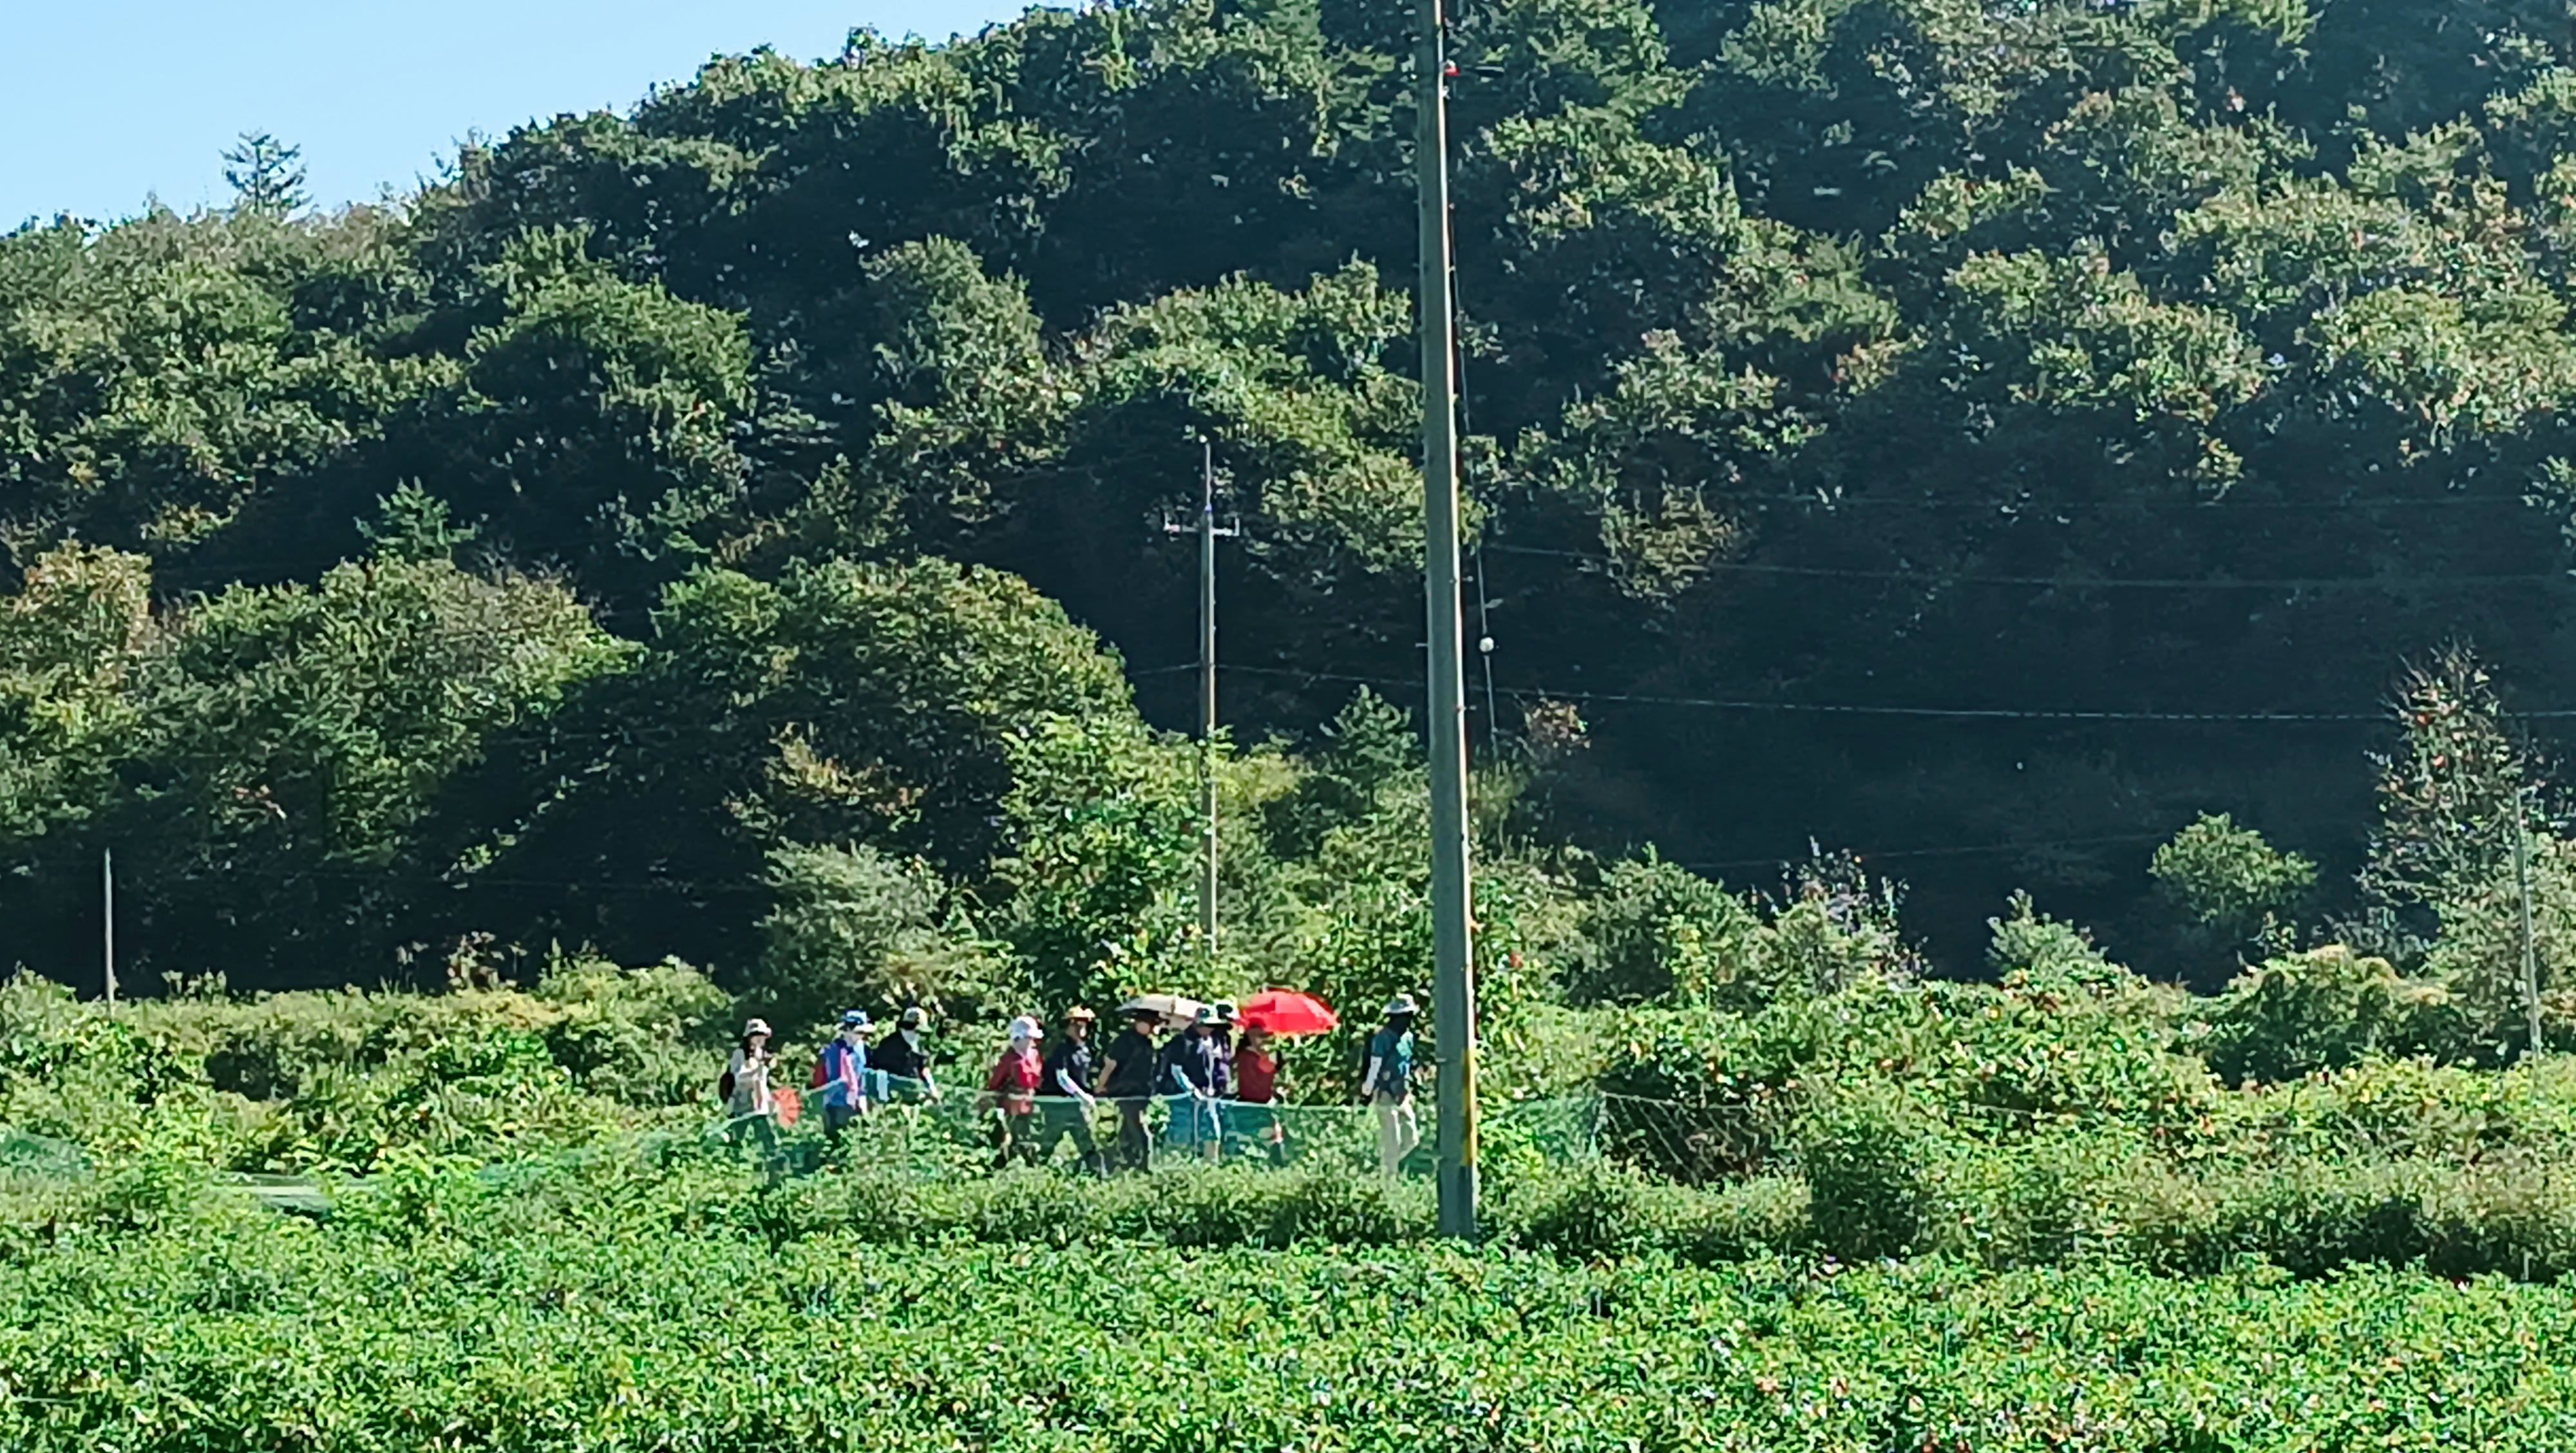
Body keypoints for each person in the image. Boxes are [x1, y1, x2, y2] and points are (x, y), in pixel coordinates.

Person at [1034, 1007, 1105, 1175]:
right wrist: (1082, 1095)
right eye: (1075, 1025)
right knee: (1048, 1142)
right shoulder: (1061, 1050)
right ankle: (1034, 1172)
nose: (1080, 1029)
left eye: (1083, 1025)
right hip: (1059, 1105)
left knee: (1087, 1141)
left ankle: (1097, 1175)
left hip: (1077, 1106)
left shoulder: (1085, 1051)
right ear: (1067, 1027)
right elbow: (1062, 1077)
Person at [1358, 994, 1421, 1181]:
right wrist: (1369, 1088)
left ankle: (1384, 1167)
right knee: (1392, 1140)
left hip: (1402, 1092)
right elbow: (1375, 1063)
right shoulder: (1383, 1038)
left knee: (1412, 1139)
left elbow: (1408, 1062)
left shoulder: (1408, 1037)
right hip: (1385, 1092)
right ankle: (1389, 1179)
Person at [1097, 1007, 1162, 1173]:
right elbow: (1111, 1065)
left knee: (1128, 1129)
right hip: (1126, 1091)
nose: (1154, 1027)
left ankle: (1125, 1163)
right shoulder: (1124, 1041)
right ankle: (1145, 1164)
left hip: (1142, 1093)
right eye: (1152, 1023)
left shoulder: (1148, 1043)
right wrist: (1101, 1086)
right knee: (1138, 1128)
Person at [1159, 1005, 1224, 1159]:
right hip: (1183, 1097)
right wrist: (1190, 1089)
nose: (1207, 1028)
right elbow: (1176, 1069)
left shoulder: (1213, 1043)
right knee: (1182, 1131)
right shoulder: (1181, 1042)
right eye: (1204, 1024)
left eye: (1211, 1025)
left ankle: (1211, 1165)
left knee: (1212, 1131)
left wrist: (1214, 1088)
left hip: (1208, 1097)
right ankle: (1173, 1162)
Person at [981, 1016, 1045, 1169]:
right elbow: (995, 1082)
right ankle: (1002, 1166)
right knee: (1010, 1137)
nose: (1031, 1042)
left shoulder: (1035, 1056)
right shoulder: (1010, 1058)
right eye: (1028, 1038)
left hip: (1030, 1102)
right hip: (1011, 1105)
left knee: (1028, 1136)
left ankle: (1030, 1166)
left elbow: (1038, 1078)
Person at [1229, 1020, 1287, 1165]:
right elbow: (1258, 1076)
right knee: (1251, 1134)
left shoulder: (1267, 1055)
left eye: (1265, 1036)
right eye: (1260, 1036)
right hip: (1249, 1102)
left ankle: (1273, 1159)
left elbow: (1271, 1075)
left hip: (1265, 1101)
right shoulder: (1247, 1056)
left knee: (1274, 1132)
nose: (1263, 1040)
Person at [723, 1018, 780, 1163]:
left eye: (763, 1036)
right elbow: (739, 1077)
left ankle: (774, 1160)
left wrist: (770, 1101)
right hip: (742, 1103)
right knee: (737, 1135)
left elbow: (763, 1082)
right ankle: (731, 1162)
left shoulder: (762, 1054)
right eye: (757, 1035)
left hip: (759, 1105)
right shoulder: (739, 1054)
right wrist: (756, 1068)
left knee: (767, 1135)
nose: (761, 1039)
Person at [815, 1010, 871, 1148]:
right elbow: (829, 1078)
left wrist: (861, 1098)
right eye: (858, 1032)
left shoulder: (862, 1048)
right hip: (837, 1103)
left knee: (860, 1140)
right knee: (838, 1141)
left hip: (858, 1101)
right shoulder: (832, 1051)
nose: (861, 1035)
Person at [872, 1005, 938, 1101]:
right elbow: (879, 1073)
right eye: (909, 1028)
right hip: (893, 1090)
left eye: (918, 1031)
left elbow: (925, 1070)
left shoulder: (920, 1045)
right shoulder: (889, 1046)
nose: (913, 1033)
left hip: (916, 1089)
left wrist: (932, 1089)